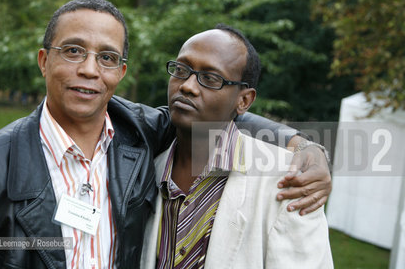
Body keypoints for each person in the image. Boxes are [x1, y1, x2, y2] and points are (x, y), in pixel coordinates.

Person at [0, 0, 330, 269]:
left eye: (107, 57)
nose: (89, 69)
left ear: (120, 72)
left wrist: (305, 145)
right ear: (43, 60)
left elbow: (217, 117)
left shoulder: (139, 136)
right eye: (72, 51)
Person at [140, 25, 333, 268]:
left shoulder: (286, 182)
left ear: (244, 100)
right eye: (181, 70)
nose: (187, 85)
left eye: (210, 78)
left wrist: (306, 146)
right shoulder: (145, 168)